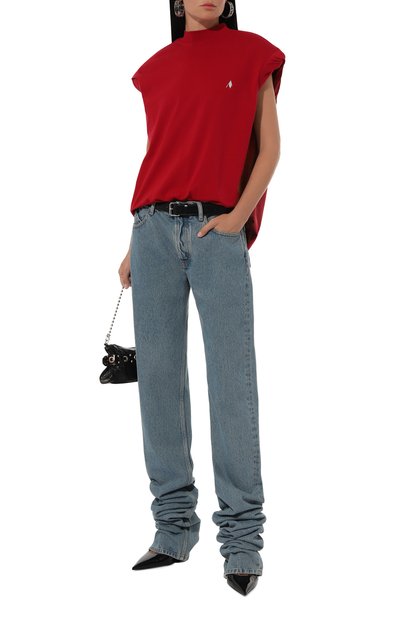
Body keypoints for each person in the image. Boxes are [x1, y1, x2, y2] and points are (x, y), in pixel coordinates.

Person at [118, 0, 285, 596]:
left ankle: (241, 541)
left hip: (218, 230)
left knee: (232, 382)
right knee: (159, 385)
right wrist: (134, 245)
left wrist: (238, 216)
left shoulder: (253, 53)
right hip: (151, 232)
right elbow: (163, 156)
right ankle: (172, 530)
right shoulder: (154, 69)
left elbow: (269, 148)